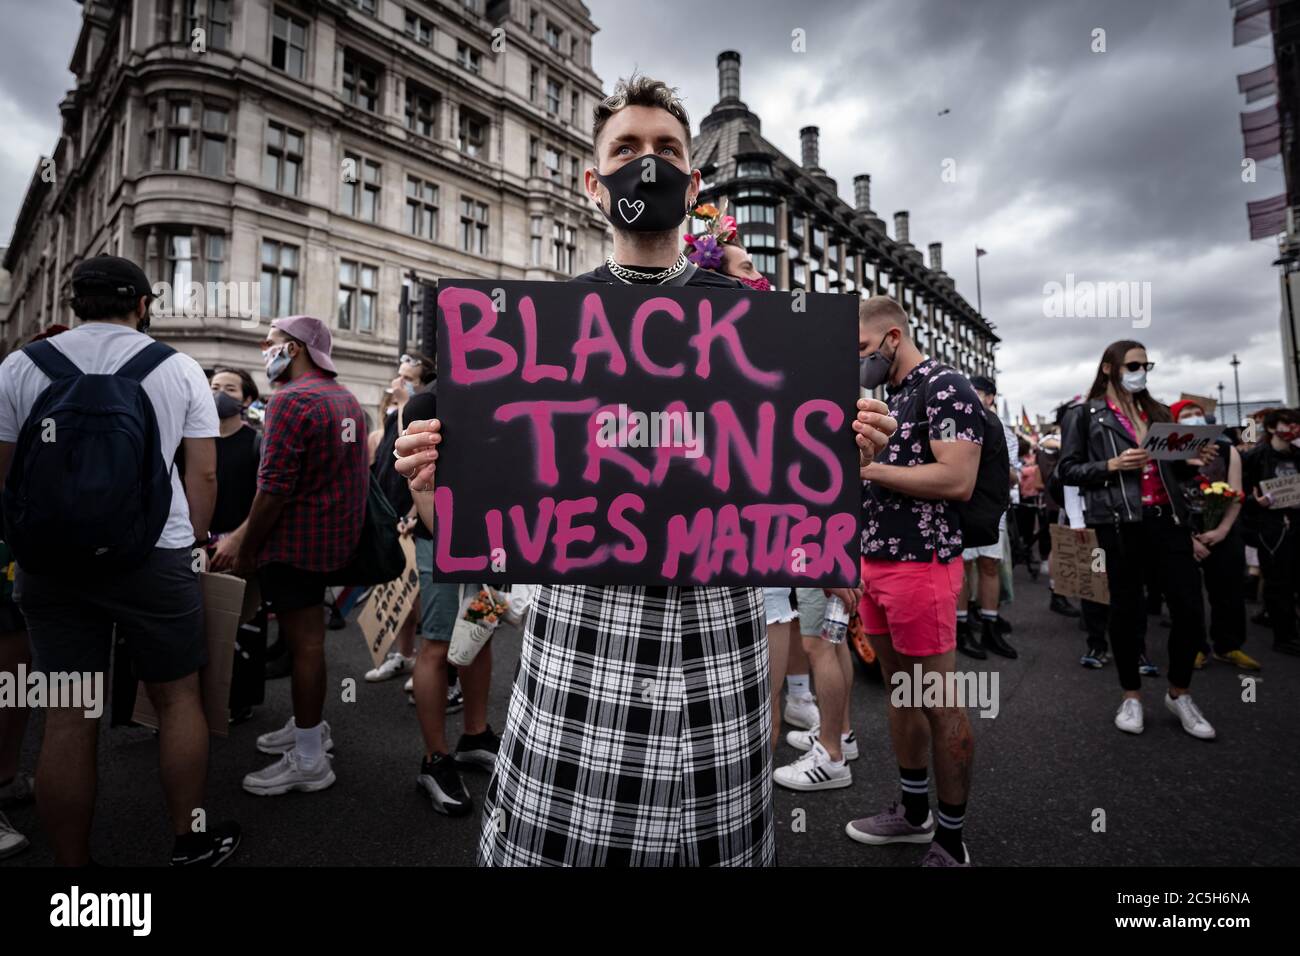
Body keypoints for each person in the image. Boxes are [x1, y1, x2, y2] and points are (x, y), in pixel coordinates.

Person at [394, 74, 897, 866]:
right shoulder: (535, 338)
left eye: (667, 150)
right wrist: (433, 490)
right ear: (594, 183)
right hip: (576, 661)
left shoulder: (764, 336)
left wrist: (845, 463)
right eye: (626, 149)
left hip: (715, 662)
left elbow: (793, 502)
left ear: (694, 185)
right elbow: (471, 536)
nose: (648, 164)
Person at [0, 254, 240, 865]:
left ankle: (75, 871)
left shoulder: (20, 367)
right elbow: (204, 472)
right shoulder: (181, 369)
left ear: (73, 303)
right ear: (142, 305)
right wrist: (194, 540)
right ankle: (189, 840)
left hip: (51, 565)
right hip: (155, 557)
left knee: (68, 712)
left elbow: (7, 477)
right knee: (177, 697)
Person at [843, 295, 983, 867]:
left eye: (862, 350)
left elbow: (956, 478)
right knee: (901, 695)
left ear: (892, 338)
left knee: (937, 701)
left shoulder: (945, 386)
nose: (859, 361)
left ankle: (951, 839)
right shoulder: (890, 395)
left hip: (921, 564)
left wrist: (868, 467)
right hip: (877, 563)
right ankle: (914, 812)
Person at [215, 316, 369, 795]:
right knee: (309, 644)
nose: (266, 349)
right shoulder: (344, 398)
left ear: (298, 348)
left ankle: (308, 758)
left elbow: (274, 488)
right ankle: (308, 728)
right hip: (329, 543)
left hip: (294, 545)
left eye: (274, 342)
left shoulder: (290, 401)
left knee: (305, 645)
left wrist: (243, 541)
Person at [687, 206, 820, 743]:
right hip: (714, 516)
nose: (760, 279)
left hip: (763, 505)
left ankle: (768, 725)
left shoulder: (771, 351)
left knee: (774, 604)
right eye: (746, 270)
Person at [1058, 340, 1217, 739]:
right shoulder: (1085, 414)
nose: (1141, 371)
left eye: (1146, 364)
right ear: (1110, 367)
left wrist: (1195, 463)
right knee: (1126, 613)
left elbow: (1174, 474)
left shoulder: (1158, 413)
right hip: (1119, 523)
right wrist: (1111, 465)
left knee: (1191, 611)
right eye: (1133, 364)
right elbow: (1068, 470)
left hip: (1169, 521)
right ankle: (1132, 695)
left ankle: (1179, 693)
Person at [1167, 400, 1258, 671]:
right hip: (1184, 532)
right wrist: (1189, 538)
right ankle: (1194, 647)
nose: (1195, 418)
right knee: (1187, 595)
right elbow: (1167, 498)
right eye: (1186, 415)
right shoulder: (1169, 456)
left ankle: (1228, 646)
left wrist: (1223, 530)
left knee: (1229, 590)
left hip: (1222, 530)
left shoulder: (1228, 451)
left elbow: (1237, 494)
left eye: (1198, 414)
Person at [208, 367, 268, 723]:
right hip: (199, 546)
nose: (219, 394)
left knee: (240, 626)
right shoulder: (193, 440)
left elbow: (264, 499)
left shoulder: (256, 443)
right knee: (201, 625)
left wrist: (241, 539)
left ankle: (237, 700)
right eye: (214, 387)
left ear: (247, 399)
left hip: (241, 546)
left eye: (229, 389)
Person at [956, 375, 1017, 659]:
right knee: (963, 567)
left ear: (991, 397)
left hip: (992, 507)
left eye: (978, 392)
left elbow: (1015, 474)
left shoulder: (1006, 432)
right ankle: (962, 626)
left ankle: (991, 625)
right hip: (963, 505)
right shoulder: (957, 423)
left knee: (990, 565)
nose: (971, 396)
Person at [1241, 406, 1300, 657]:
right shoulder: (1255, 457)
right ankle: (1283, 636)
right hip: (1270, 528)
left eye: (1296, 424)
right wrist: (1257, 503)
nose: (1293, 429)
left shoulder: (1298, 455)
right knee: (1278, 583)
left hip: (1295, 523)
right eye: (1288, 424)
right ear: (1273, 427)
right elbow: (1239, 494)